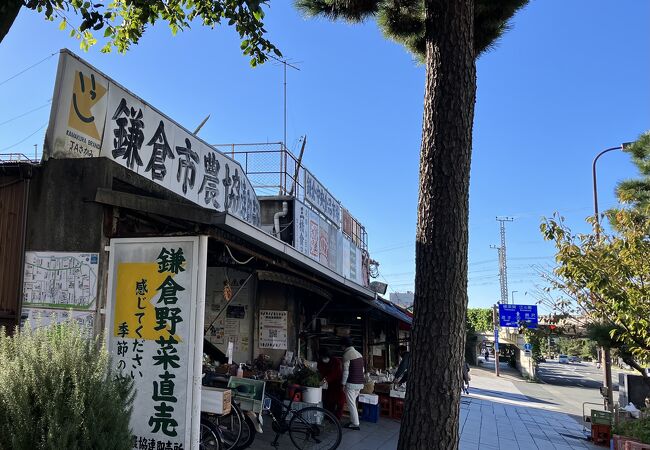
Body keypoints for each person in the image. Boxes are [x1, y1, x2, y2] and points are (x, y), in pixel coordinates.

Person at [341, 337, 364, 430]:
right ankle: (354, 421)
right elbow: (362, 370)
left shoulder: (347, 354)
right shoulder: (359, 354)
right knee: (353, 403)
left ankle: (355, 423)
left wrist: (343, 383)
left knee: (351, 404)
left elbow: (346, 372)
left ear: (344, 345)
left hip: (351, 383)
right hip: (360, 382)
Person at [317, 347, 345, 420]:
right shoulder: (320, 362)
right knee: (329, 400)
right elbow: (320, 371)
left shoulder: (336, 361)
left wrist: (325, 380)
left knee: (340, 402)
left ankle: (337, 418)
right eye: (322, 357)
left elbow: (335, 373)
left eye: (325, 357)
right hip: (329, 385)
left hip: (339, 383)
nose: (323, 359)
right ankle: (329, 415)